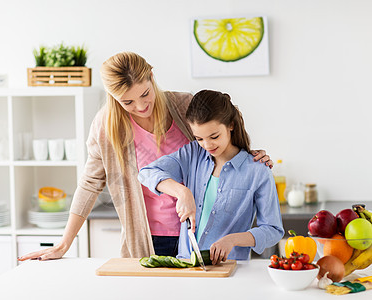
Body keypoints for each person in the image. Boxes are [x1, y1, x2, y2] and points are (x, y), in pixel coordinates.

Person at [18, 53, 273, 261]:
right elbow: (90, 183)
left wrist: (250, 155)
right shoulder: (107, 127)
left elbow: (218, 134)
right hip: (148, 235)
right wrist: (64, 243)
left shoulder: (184, 105)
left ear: (152, 77)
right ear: (114, 98)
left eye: (144, 94)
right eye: (127, 102)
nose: (140, 107)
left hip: (196, 233)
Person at [138, 90, 284, 264]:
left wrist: (233, 239)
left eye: (214, 136)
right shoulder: (192, 154)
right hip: (187, 266)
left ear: (230, 125)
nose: (207, 145)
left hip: (230, 268)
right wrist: (182, 192)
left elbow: (273, 229)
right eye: (200, 138)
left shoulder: (257, 170)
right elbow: (146, 172)